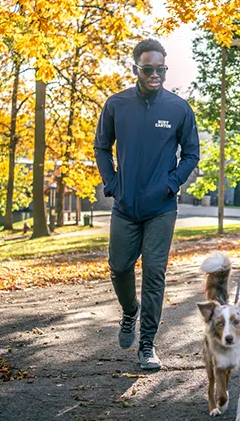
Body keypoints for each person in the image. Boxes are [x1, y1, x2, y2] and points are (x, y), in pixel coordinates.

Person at [94, 38, 200, 370]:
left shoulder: (179, 108)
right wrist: (112, 183)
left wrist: (172, 182)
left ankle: (147, 344)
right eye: (149, 69)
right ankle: (129, 311)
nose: (156, 74)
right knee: (120, 267)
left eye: (161, 69)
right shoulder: (116, 104)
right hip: (125, 206)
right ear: (136, 68)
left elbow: (192, 153)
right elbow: (101, 147)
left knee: (155, 273)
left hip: (162, 208)